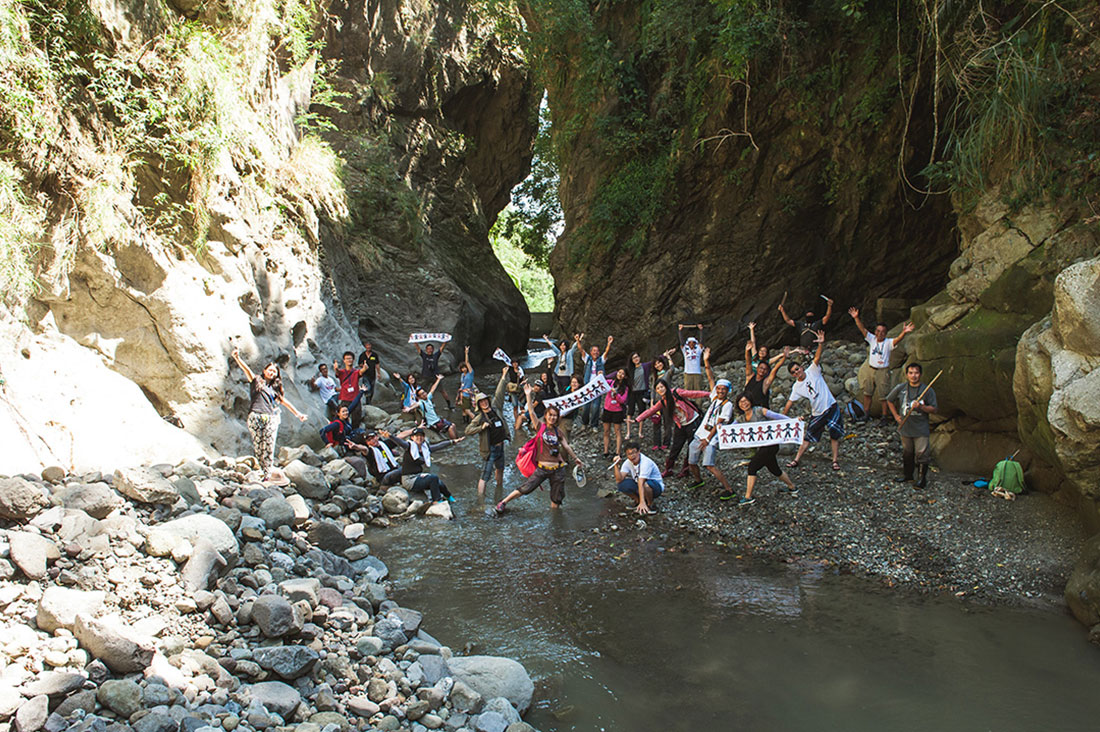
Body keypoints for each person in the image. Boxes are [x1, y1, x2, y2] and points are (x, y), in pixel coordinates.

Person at [231, 348, 307, 482]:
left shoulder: (274, 390)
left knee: (269, 446)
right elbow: (246, 370)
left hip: (270, 418)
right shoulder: (256, 381)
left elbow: (285, 402)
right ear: (264, 370)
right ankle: (263, 470)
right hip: (255, 416)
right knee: (259, 446)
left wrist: (298, 414)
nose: (271, 373)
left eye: (274, 372)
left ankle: (267, 473)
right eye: (270, 370)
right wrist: (237, 358)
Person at [495, 405, 583, 513]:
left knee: (556, 498)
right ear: (545, 416)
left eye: (555, 415)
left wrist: (576, 458)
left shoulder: (558, 432)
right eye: (550, 415)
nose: (552, 417)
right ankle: (503, 502)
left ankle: (554, 518)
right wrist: (528, 397)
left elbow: (566, 446)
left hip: (558, 469)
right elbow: (532, 412)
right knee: (526, 488)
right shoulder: (540, 427)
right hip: (542, 469)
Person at [781, 331, 844, 470]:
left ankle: (834, 461)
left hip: (831, 406)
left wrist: (821, 344)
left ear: (801, 367)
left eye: (797, 369)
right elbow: (790, 402)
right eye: (794, 372)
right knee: (808, 437)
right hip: (817, 412)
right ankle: (796, 459)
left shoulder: (812, 371)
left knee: (834, 435)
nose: (797, 372)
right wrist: (782, 417)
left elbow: (817, 357)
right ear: (792, 375)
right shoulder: (796, 387)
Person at [723, 394, 798, 505]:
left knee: (752, 467)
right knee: (774, 469)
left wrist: (794, 421)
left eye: (746, 401)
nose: (744, 404)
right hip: (762, 447)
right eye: (741, 402)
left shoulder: (759, 410)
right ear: (738, 405)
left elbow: (777, 416)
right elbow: (730, 429)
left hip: (771, 445)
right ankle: (792, 487)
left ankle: (748, 497)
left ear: (750, 401)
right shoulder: (741, 419)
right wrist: (720, 429)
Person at [634, 377, 710, 477]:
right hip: (680, 425)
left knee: (690, 447)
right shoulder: (662, 402)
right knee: (675, 446)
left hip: (693, 421)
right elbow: (651, 410)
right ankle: (668, 469)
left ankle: (686, 469)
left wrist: (709, 394)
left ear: (666, 387)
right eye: (658, 388)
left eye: (662, 387)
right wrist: (637, 419)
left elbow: (692, 394)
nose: (660, 389)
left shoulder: (676, 392)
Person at [848, 308, 915, 417]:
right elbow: (862, 329)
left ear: (886, 333)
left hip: (882, 371)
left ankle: (884, 416)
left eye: (883, 332)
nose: (880, 334)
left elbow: (897, 339)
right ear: (875, 332)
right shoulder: (872, 339)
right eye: (878, 331)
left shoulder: (888, 342)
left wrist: (904, 332)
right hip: (870, 369)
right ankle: (866, 414)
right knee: (867, 393)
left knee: (883, 396)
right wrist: (856, 318)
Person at [686, 350, 736, 494]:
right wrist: (706, 360)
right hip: (699, 435)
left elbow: (718, 424)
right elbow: (710, 378)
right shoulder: (714, 399)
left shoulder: (727, 405)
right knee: (691, 462)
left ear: (727, 391)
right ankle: (698, 480)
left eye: (723, 389)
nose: (720, 391)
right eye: (718, 388)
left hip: (711, 438)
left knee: (709, 465)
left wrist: (707, 439)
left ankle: (729, 489)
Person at [885, 363, 938, 488]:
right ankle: (908, 475)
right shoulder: (901, 388)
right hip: (906, 427)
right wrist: (896, 416)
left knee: (921, 453)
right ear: (907, 375)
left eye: (916, 373)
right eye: (911, 373)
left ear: (920, 374)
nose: (914, 376)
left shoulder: (927, 390)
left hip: (921, 428)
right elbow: (889, 400)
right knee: (907, 452)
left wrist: (921, 407)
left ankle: (921, 479)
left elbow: (934, 409)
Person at [466, 370, 511, 495]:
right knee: (485, 475)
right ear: (479, 405)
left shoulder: (496, 408)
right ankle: (480, 500)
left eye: (485, 400)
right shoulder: (479, 418)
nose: (484, 403)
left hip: (500, 446)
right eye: (481, 402)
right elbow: (468, 430)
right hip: (490, 449)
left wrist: (503, 376)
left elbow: (499, 393)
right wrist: (481, 427)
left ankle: (499, 492)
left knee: (500, 469)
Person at [400, 427, 464, 503]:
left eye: (421, 436)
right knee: (433, 478)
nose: (419, 438)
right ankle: (436, 500)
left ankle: (448, 496)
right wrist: (390, 436)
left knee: (438, 482)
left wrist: (452, 441)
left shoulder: (424, 448)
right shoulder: (409, 447)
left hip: (418, 475)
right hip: (409, 480)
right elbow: (399, 442)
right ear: (412, 438)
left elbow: (439, 446)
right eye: (417, 436)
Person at [612, 440, 664, 515]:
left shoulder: (645, 462)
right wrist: (616, 465)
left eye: (634, 453)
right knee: (622, 485)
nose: (632, 456)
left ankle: (650, 504)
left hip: (655, 486)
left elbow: (641, 481)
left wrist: (643, 502)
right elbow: (619, 479)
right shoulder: (627, 462)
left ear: (639, 452)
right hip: (639, 483)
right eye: (629, 454)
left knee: (645, 485)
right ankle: (638, 501)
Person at [405, 374, 458, 440]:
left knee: (453, 425)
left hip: (438, 420)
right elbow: (415, 405)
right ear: (419, 397)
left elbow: (433, 388)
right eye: (422, 394)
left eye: (424, 392)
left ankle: (457, 440)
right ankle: (454, 441)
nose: (424, 394)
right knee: (450, 427)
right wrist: (409, 408)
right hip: (433, 424)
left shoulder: (428, 398)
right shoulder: (421, 402)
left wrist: (438, 379)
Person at [579, 334, 612, 429]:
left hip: (597, 387)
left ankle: (594, 425)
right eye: (594, 351)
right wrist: (578, 341)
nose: (596, 352)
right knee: (586, 407)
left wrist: (609, 343)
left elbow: (606, 352)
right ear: (591, 352)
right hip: (588, 386)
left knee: (596, 407)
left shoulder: (601, 360)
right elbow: (581, 350)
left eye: (597, 351)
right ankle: (584, 423)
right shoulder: (587, 359)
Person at [743, 340, 787, 409]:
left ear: (767, 372)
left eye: (765, 369)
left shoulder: (766, 382)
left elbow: (775, 369)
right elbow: (748, 363)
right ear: (757, 368)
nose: (762, 370)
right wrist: (747, 351)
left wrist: (784, 358)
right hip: (746, 408)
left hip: (760, 409)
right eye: (761, 368)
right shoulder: (750, 377)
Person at [649, 353, 677, 450]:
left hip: (667, 401)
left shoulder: (667, 373)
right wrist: (652, 401)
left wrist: (668, 357)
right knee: (656, 421)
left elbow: (673, 369)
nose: (658, 365)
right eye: (656, 364)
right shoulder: (654, 376)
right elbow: (652, 389)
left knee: (667, 422)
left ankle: (666, 442)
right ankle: (656, 443)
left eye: (659, 363)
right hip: (657, 401)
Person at [334, 351, 369, 427]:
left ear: (353, 360)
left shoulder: (355, 372)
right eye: (347, 359)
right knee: (343, 418)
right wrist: (335, 368)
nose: (349, 360)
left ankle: (354, 431)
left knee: (356, 418)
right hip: (345, 398)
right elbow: (337, 372)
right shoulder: (342, 372)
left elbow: (361, 371)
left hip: (355, 398)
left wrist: (365, 368)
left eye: (350, 358)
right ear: (344, 361)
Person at [415, 341, 452, 410]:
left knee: (442, 390)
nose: (430, 350)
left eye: (431, 349)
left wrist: (445, 342)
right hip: (426, 376)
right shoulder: (424, 356)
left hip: (435, 376)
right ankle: (420, 404)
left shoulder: (435, 355)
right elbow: (418, 348)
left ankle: (449, 405)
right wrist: (415, 341)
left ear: (433, 349)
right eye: (428, 349)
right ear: (426, 350)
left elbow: (441, 349)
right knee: (422, 391)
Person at [601, 368, 629, 457]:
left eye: (623, 373)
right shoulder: (611, 382)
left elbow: (623, 400)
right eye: (619, 372)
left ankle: (618, 452)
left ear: (625, 376)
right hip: (607, 409)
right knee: (606, 431)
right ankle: (606, 451)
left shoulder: (625, 388)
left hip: (617, 411)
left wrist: (616, 394)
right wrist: (600, 375)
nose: (620, 374)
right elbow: (602, 382)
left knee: (617, 431)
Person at [678, 323, 705, 390]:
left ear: (695, 343)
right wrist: (680, 331)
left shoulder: (698, 349)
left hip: (697, 373)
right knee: (687, 390)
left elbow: (701, 342)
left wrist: (701, 330)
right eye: (690, 342)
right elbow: (681, 342)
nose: (691, 344)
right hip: (687, 373)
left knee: (698, 390)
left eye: (693, 342)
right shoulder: (685, 350)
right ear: (688, 343)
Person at [357, 340, 382, 405]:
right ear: (365, 346)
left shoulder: (374, 355)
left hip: (372, 374)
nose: (368, 347)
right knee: (368, 387)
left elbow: (377, 364)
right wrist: (363, 365)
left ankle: (369, 401)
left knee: (372, 389)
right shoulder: (362, 355)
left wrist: (379, 373)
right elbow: (359, 364)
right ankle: (367, 401)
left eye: (369, 345)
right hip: (365, 374)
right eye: (367, 345)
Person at [457, 346, 476, 423]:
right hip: (462, 393)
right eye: (462, 368)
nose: (464, 369)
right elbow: (462, 383)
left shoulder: (470, 373)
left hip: (467, 393)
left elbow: (467, 362)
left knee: (467, 409)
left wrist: (466, 353)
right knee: (464, 409)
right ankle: (465, 421)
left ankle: (476, 420)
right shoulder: (462, 375)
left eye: (465, 367)